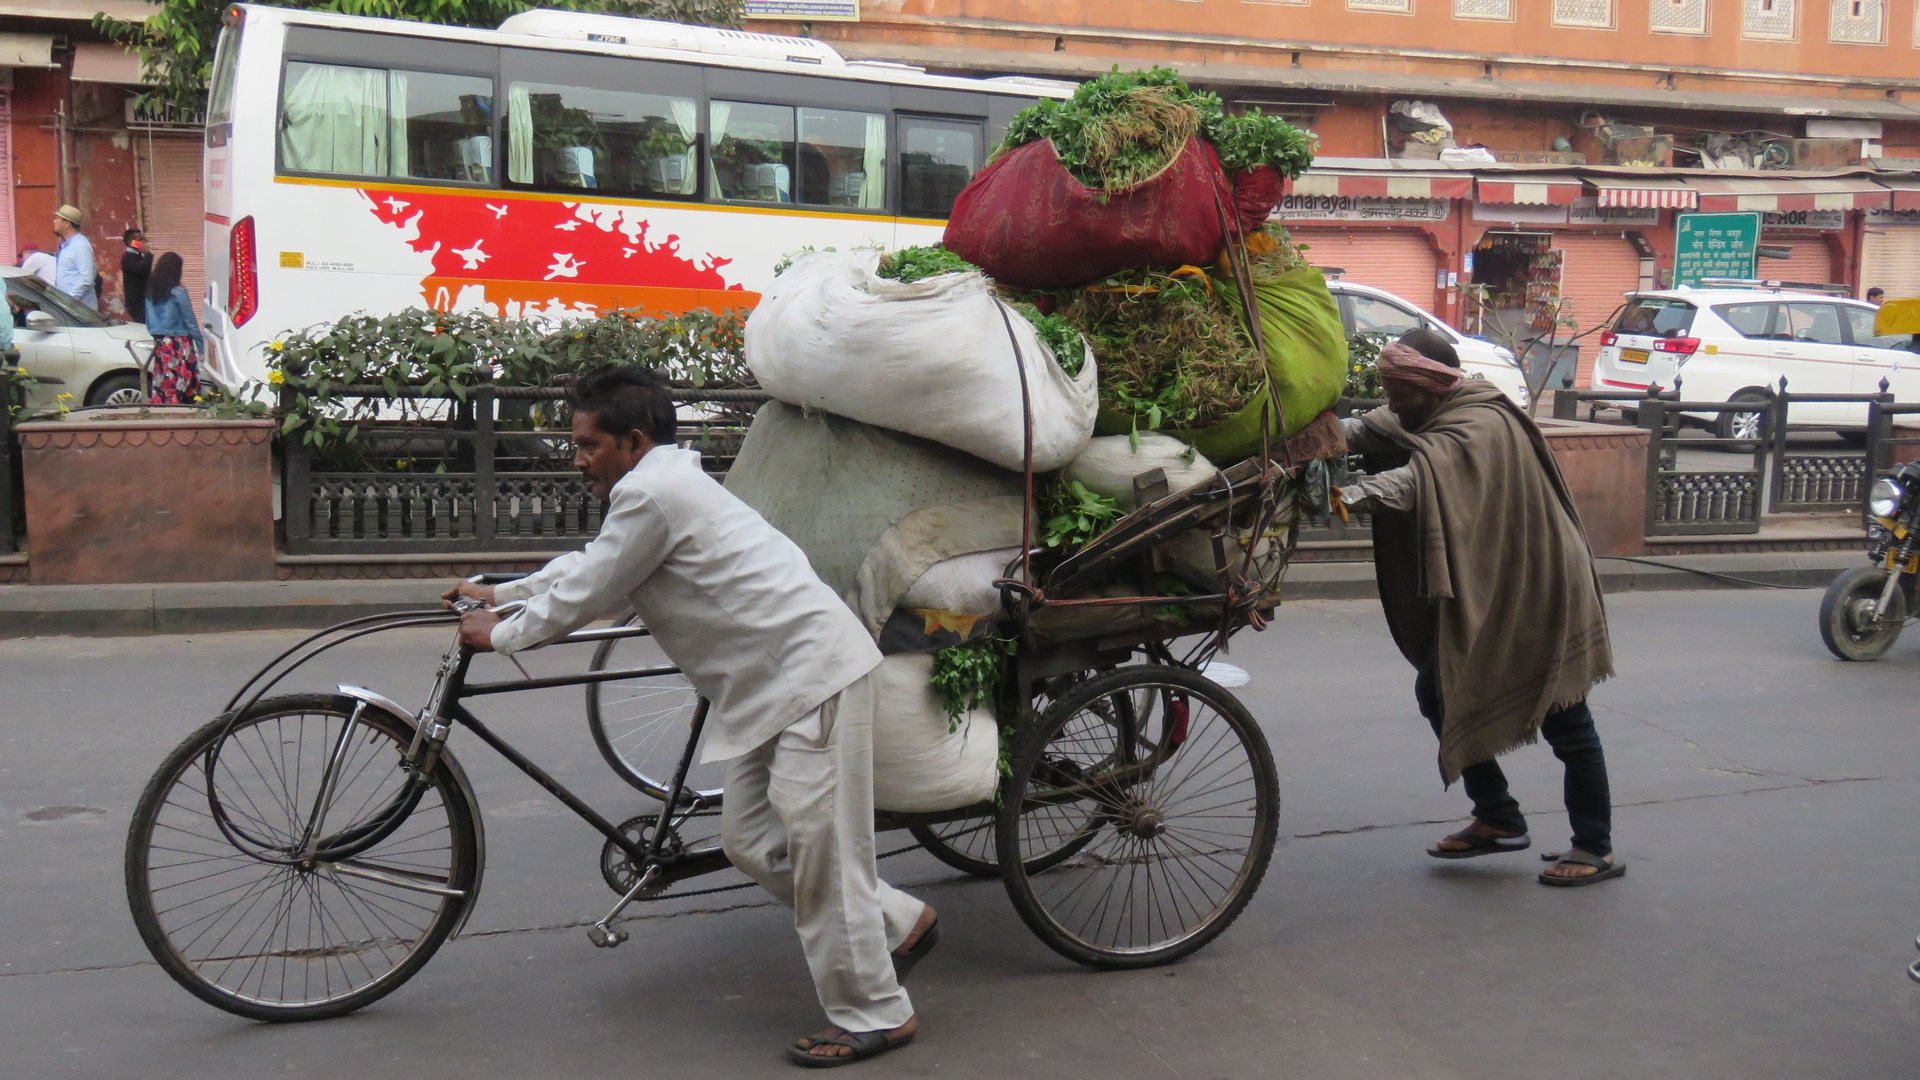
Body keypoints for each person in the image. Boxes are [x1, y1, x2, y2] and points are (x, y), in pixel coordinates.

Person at [445, 365, 936, 1067]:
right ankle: (901, 921)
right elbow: (596, 565)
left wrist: (503, 631)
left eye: (587, 445)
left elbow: (594, 588)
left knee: (827, 860)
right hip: (771, 689)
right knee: (750, 843)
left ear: (633, 440)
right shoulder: (655, 487)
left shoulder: (653, 492)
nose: (578, 459)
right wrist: (503, 589)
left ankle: (876, 1012)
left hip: (811, 680)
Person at [1335, 329, 1623, 886]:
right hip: (1496, 580)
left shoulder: (1482, 425)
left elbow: (1421, 480)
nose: (1392, 403)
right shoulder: (1430, 415)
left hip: (1538, 582)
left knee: (1566, 715)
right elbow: (1363, 430)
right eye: (1387, 391)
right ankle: (1497, 815)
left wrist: (1342, 496)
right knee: (1436, 689)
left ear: (1433, 387)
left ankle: (1596, 845)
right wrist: (1303, 442)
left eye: (1400, 393)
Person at [143, 252, 203, 404]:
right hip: (180, 343)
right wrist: (201, 346)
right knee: (185, 383)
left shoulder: (150, 291)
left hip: (161, 344)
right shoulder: (178, 292)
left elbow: (149, 321)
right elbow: (190, 321)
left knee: (164, 382)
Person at [51, 204, 97, 310]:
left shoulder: (80, 245)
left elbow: (87, 278)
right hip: (70, 308)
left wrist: (69, 299)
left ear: (67, 223)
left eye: (58, 219)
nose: (54, 221)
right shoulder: (68, 245)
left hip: (81, 309)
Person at [121, 229, 153, 323]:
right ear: (133, 242)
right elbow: (143, 270)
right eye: (140, 240)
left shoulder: (137, 256)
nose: (144, 242)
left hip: (143, 300)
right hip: (136, 302)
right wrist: (147, 253)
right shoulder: (129, 257)